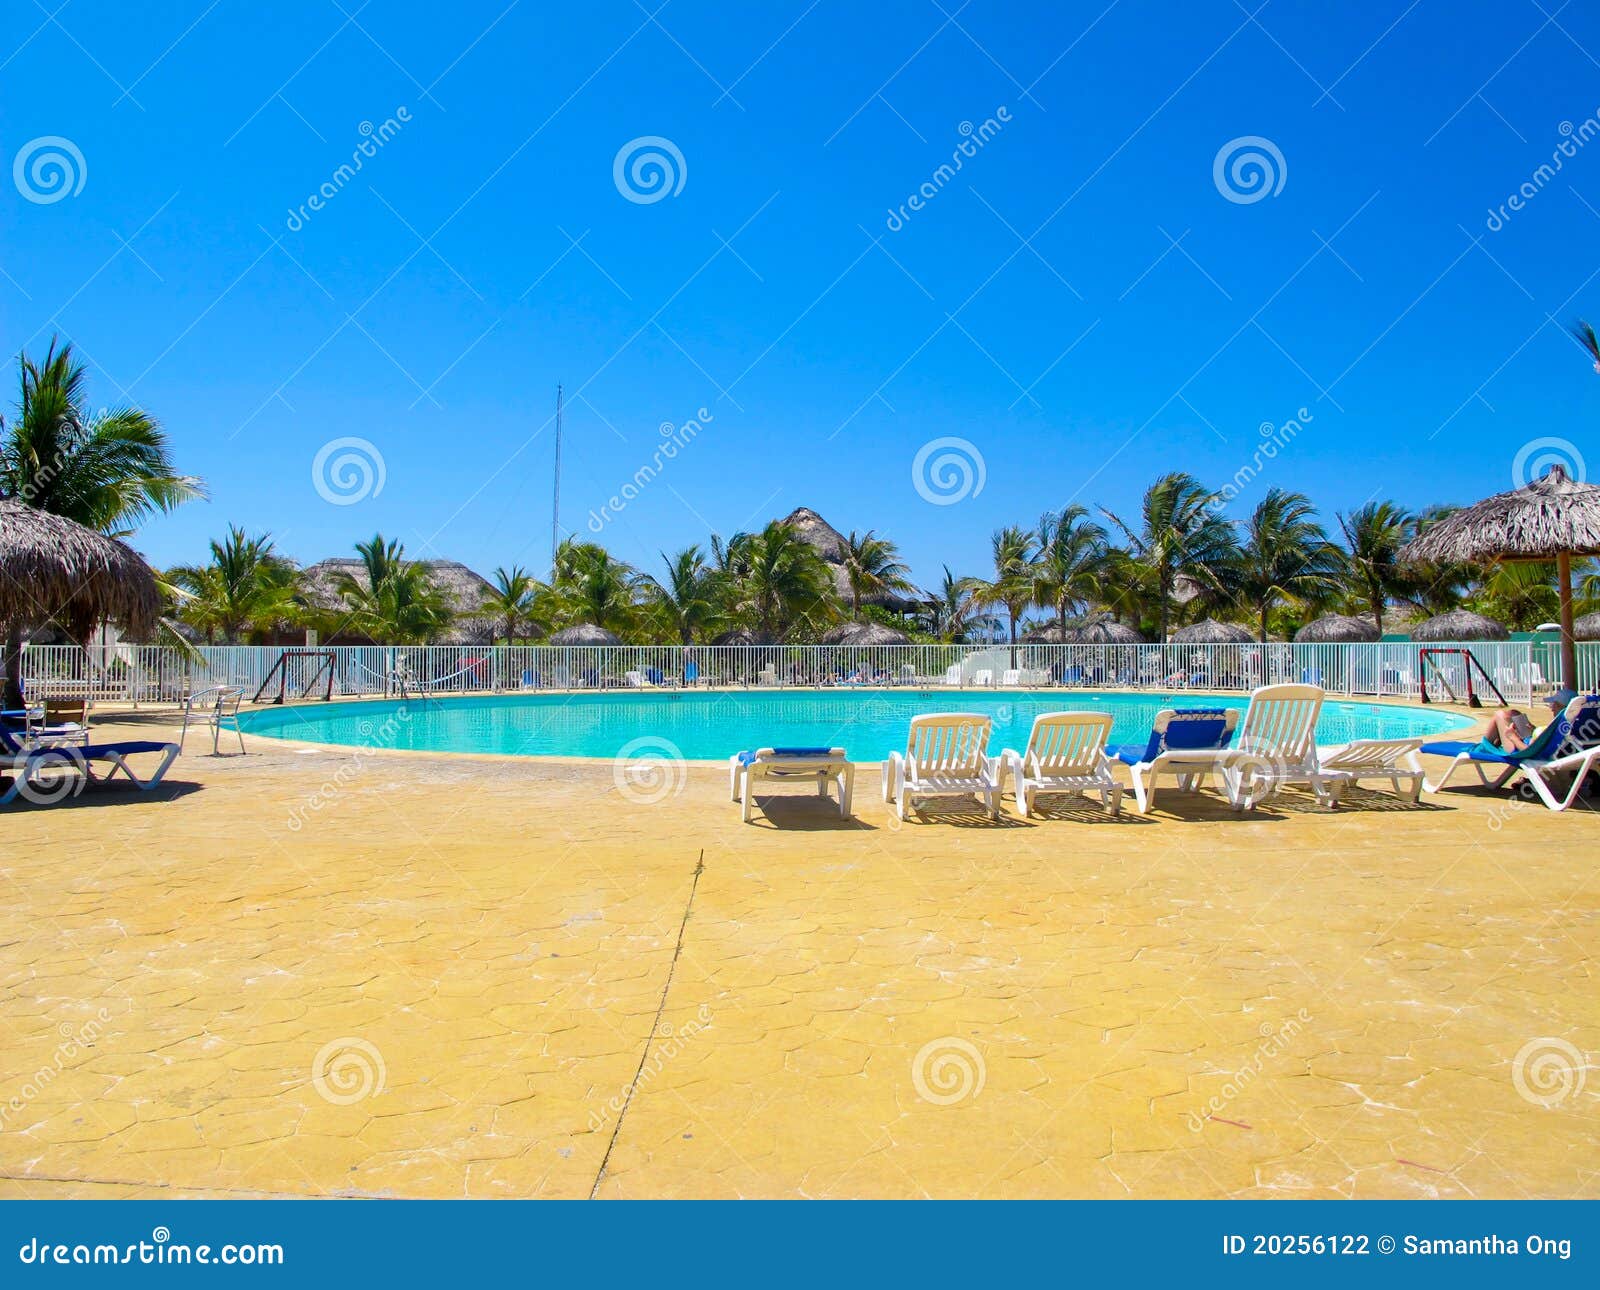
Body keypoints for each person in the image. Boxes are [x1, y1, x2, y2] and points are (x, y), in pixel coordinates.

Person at [1479, 689, 1573, 753]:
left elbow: (1528, 751)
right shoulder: (1569, 723)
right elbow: (1547, 739)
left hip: (1518, 749)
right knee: (1514, 713)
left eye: (1554, 705)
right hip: (1530, 741)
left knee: (1499, 714)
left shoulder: (1559, 724)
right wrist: (1535, 731)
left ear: (1561, 707)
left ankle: (1483, 748)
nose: (1551, 708)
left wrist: (1512, 736)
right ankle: (1492, 743)